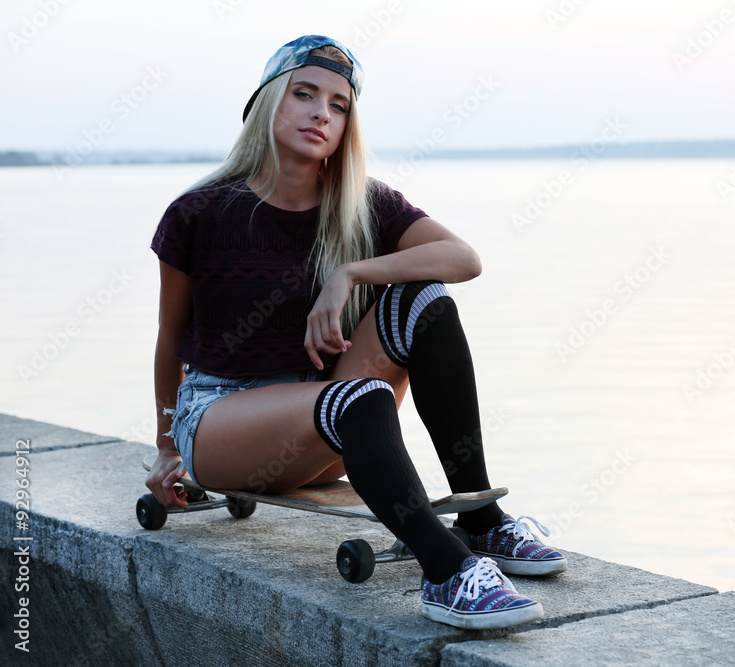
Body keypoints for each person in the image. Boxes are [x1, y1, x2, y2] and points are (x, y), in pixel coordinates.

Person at [145, 35, 566, 630]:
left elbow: (463, 258)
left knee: (426, 299)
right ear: (268, 104)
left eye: (339, 105)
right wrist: (166, 446)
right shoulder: (199, 213)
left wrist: (349, 272)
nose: (322, 112)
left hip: (327, 422)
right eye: (305, 94)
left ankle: (481, 519)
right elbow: (169, 338)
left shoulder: (362, 205)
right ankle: (447, 573)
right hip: (222, 421)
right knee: (358, 396)